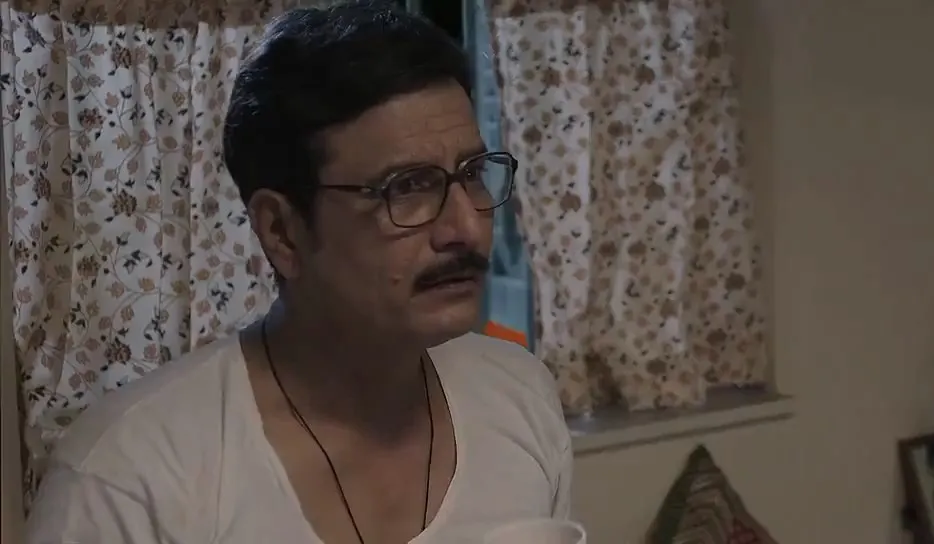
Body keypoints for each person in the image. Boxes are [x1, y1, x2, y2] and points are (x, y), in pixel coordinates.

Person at [24, 2, 572, 543]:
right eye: (407, 188)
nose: (467, 228)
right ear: (282, 232)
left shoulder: (519, 398)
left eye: (472, 174)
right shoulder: (126, 481)